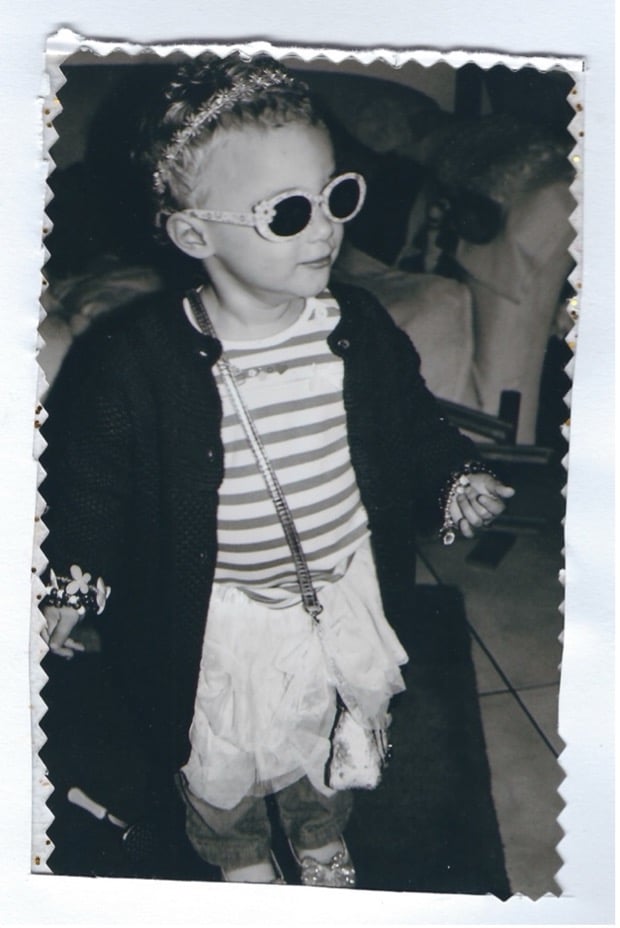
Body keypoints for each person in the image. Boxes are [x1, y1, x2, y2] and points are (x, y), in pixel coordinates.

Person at [40, 53, 514, 888]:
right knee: (223, 752)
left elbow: (412, 423)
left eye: (335, 195)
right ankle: (237, 855)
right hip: (219, 614)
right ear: (194, 234)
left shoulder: (356, 328)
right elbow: (91, 486)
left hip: (335, 592)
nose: (328, 229)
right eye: (288, 212)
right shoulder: (134, 365)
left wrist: (450, 478)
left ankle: (318, 827)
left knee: (323, 729)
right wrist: (71, 582)